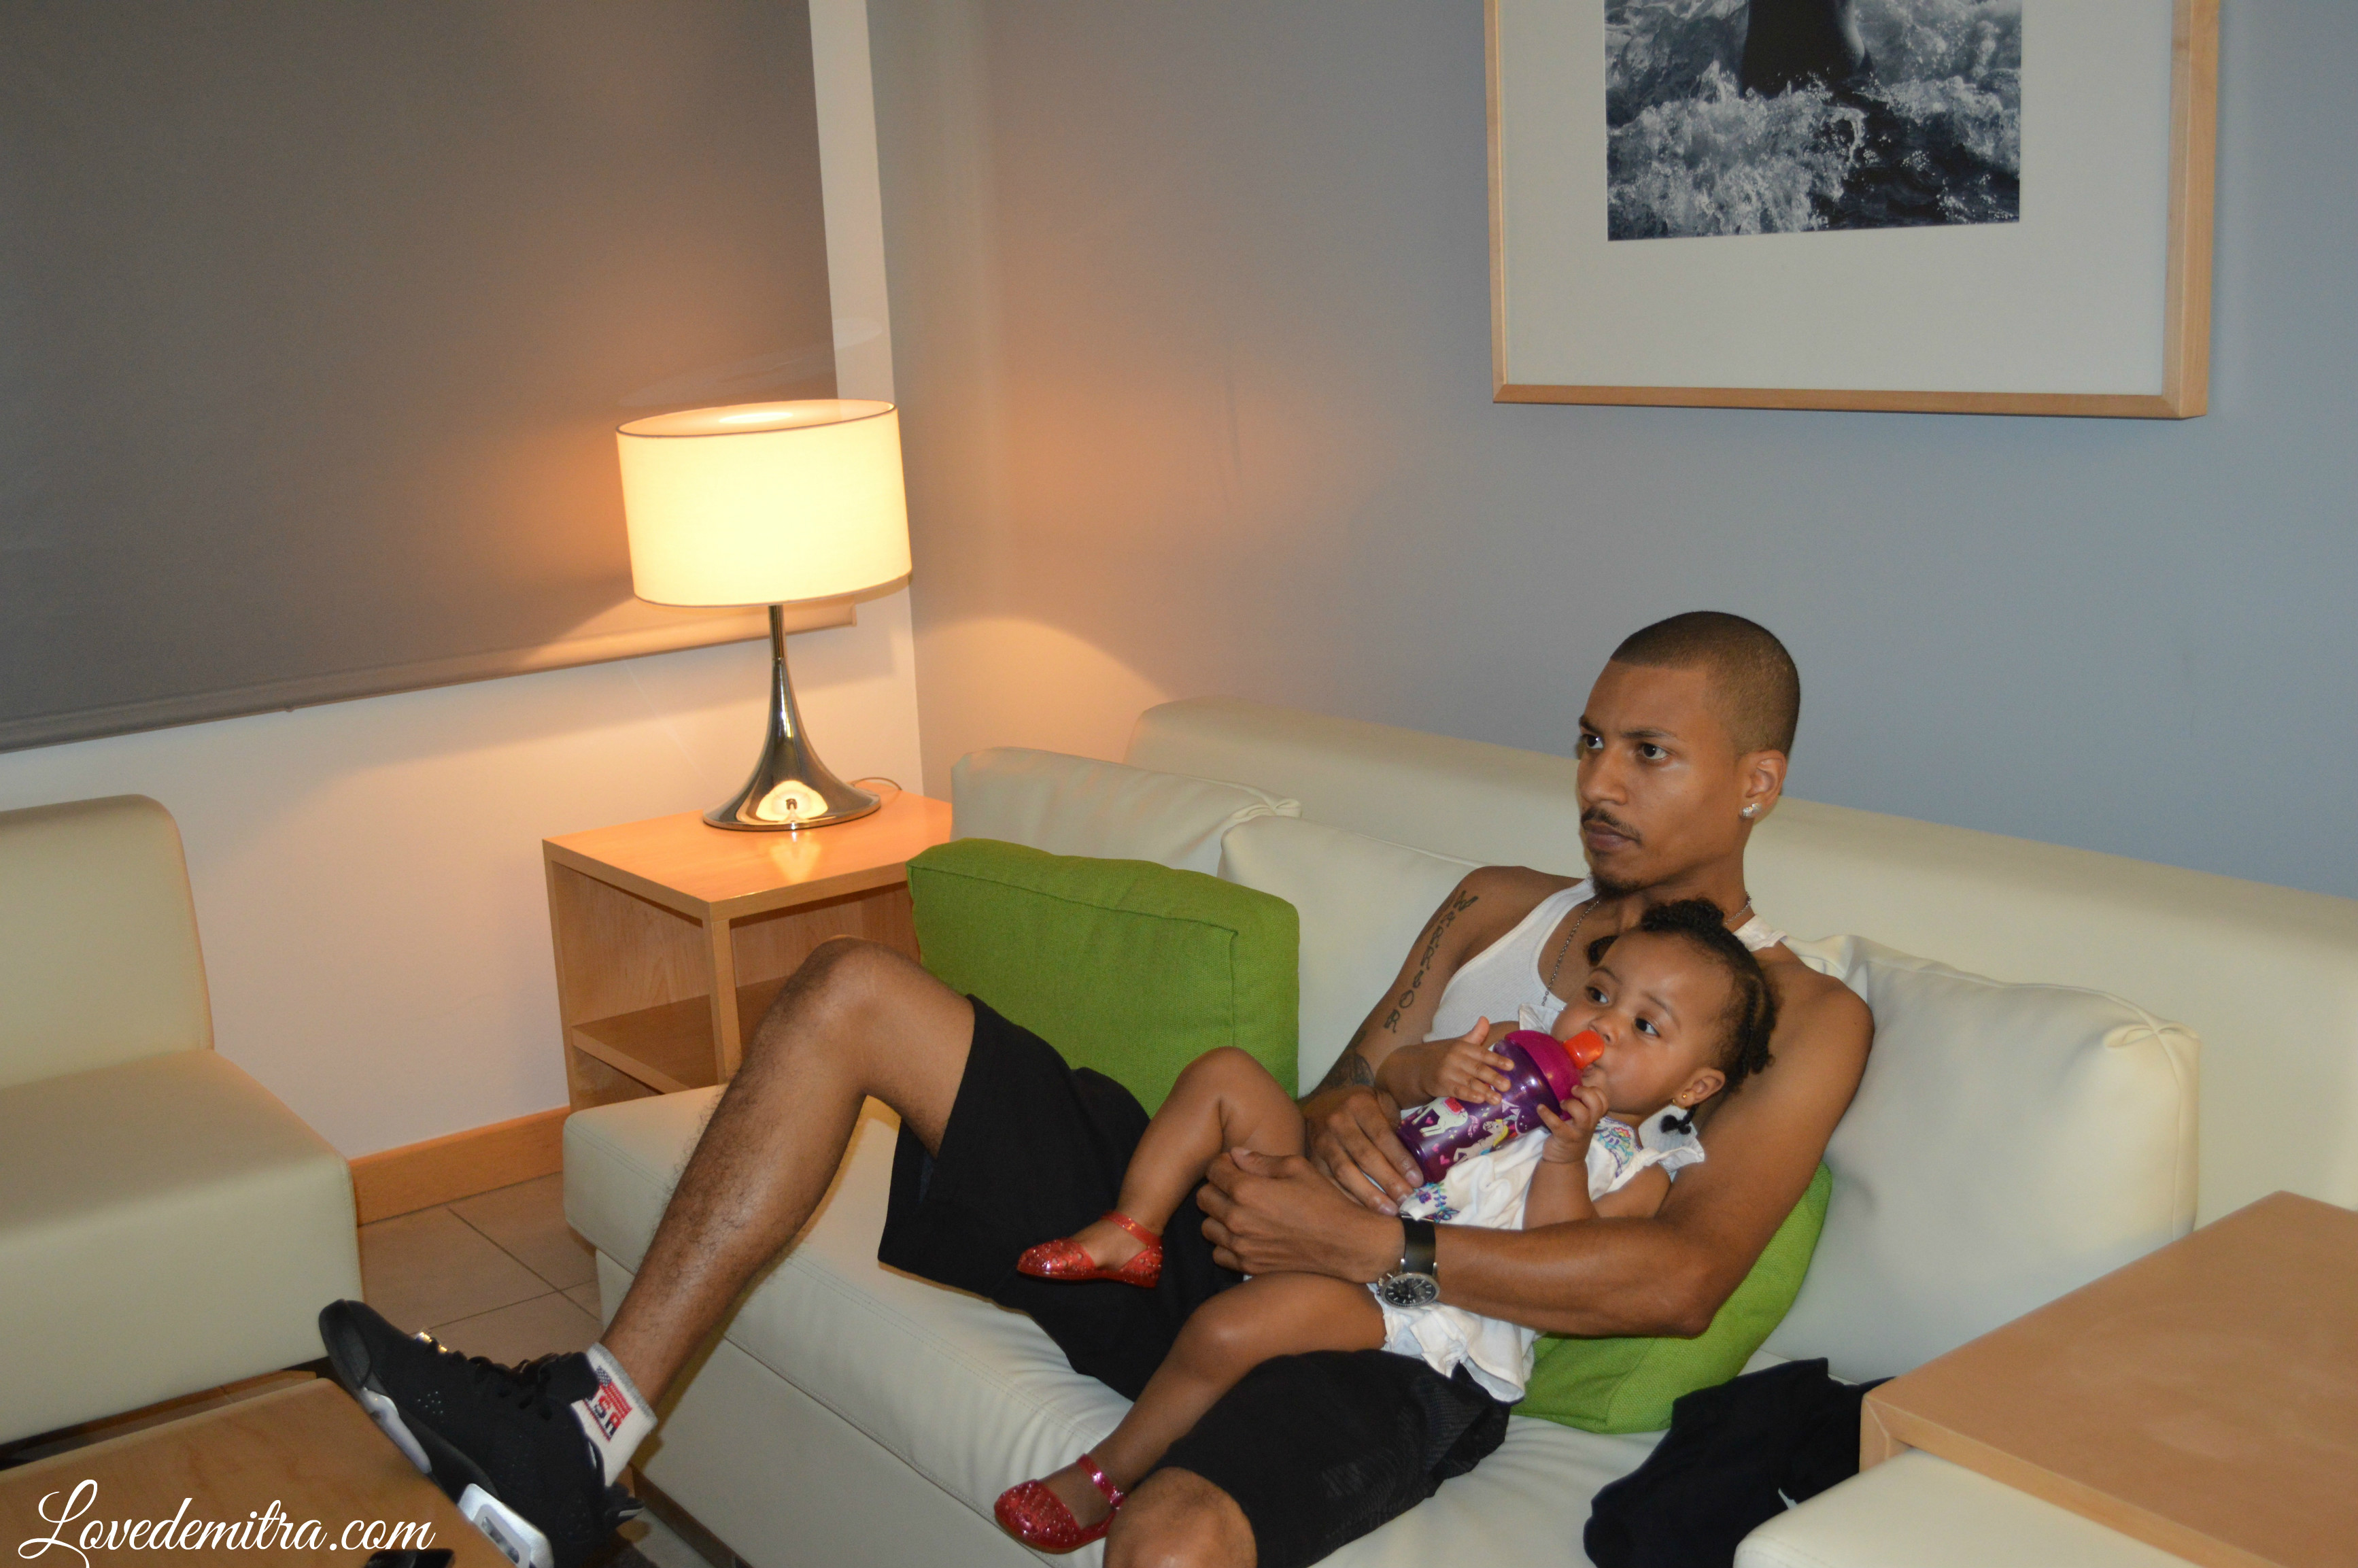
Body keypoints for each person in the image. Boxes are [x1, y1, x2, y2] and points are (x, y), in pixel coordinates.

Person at [318, 610, 1872, 1568]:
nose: (1598, 783)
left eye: (1650, 753)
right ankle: (585, 1427)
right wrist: (1342, 1118)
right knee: (853, 987)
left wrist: (1376, 1246)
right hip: (1232, 1227)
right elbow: (1318, 1098)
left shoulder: (1799, 1013)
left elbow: (1676, 1276)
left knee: (1176, 1540)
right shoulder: (1495, 904)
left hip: (1399, 1339)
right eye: (1590, 742)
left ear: (1758, 779)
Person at [993, 898, 1779, 1552]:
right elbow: (1394, 1081)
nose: (1602, 1028)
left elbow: (1558, 1256)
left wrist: (1564, 1155)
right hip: (1339, 1205)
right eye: (1601, 994)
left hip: (1422, 1313)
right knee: (1227, 1074)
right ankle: (1132, 1227)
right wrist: (1432, 1069)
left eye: (1647, 1026)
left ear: (1695, 1085)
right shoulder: (1513, 1053)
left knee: (1231, 1328)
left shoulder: (1635, 1168)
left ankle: (1106, 1475)